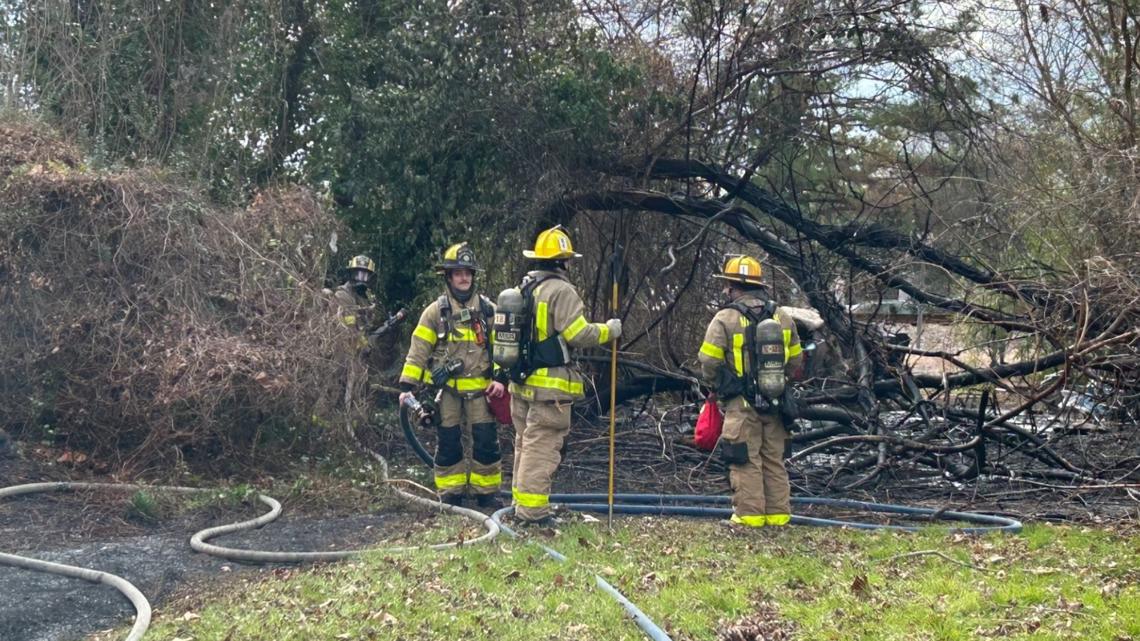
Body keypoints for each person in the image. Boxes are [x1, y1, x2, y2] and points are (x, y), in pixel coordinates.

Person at [506, 225, 622, 525]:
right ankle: (532, 513)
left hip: (521, 384)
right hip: (550, 390)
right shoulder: (561, 291)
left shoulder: (524, 289)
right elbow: (577, 333)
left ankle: (521, 505)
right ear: (563, 262)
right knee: (541, 448)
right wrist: (610, 330)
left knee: (524, 443)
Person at [697, 255, 803, 528]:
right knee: (774, 460)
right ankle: (779, 516)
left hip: (741, 404)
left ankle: (749, 517)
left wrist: (717, 385)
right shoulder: (782, 316)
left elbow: (709, 360)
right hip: (777, 401)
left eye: (726, 286)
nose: (725, 291)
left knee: (744, 458)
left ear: (733, 287)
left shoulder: (725, 318)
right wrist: (781, 383)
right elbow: (796, 360)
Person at [398, 243, 504, 507]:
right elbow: (419, 349)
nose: (464, 277)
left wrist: (500, 380)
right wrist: (407, 386)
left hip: (482, 390)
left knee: (486, 443)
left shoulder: (489, 310)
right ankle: (451, 493)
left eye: (468, 272)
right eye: (458, 272)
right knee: (448, 443)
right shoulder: (436, 312)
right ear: (448, 276)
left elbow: (503, 349)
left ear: (473, 275)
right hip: (449, 392)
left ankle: (486, 494)